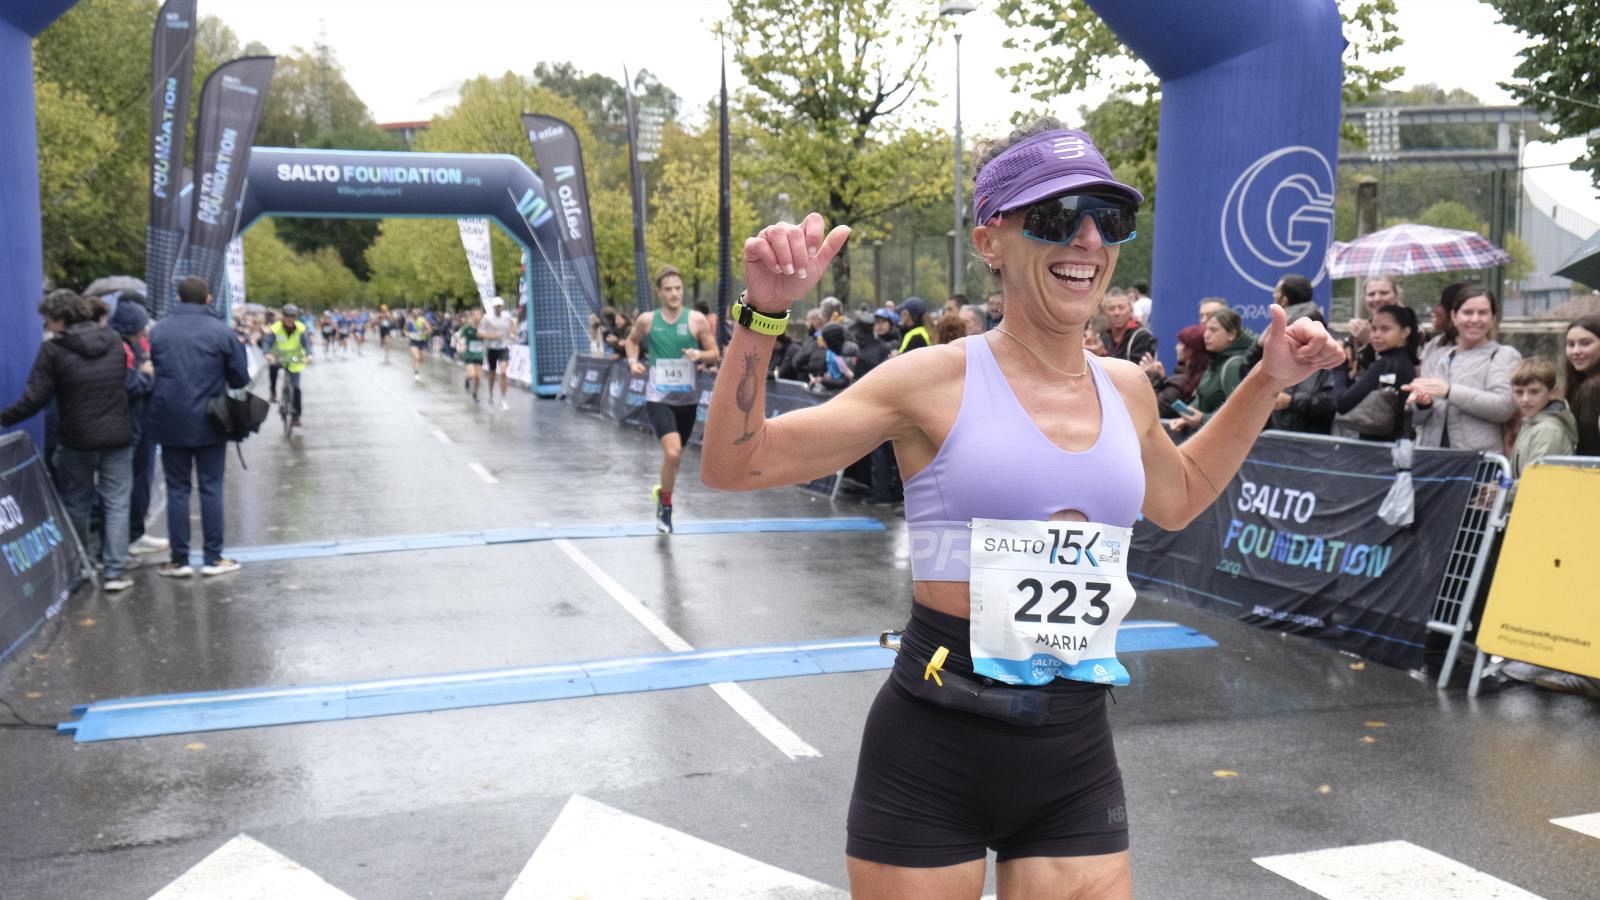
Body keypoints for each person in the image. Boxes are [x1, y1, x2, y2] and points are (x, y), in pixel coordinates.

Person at [700, 121, 1344, 898]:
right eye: (1054, 216)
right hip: (934, 741)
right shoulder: (929, 381)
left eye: (1107, 218)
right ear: (990, 241)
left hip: (1072, 749)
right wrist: (764, 315)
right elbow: (737, 463)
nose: (1087, 239)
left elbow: (1179, 498)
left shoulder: (1127, 389)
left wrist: (1266, 382)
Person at [0, 290, 143, 592]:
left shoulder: (53, 351)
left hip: (77, 439)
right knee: (117, 502)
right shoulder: (114, 341)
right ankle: (115, 571)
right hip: (118, 435)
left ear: (60, 319)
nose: (47, 326)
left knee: (76, 502)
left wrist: (4, 418)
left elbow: (35, 398)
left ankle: (82, 565)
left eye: (48, 320)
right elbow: (124, 383)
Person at [147, 276, 249, 578]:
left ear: (179, 298)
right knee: (211, 488)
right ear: (208, 298)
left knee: (177, 489)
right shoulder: (221, 331)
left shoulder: (160, 331)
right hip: (211, 419)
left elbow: (156, 366)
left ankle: (179, 560)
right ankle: (212, 558)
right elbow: (240, 378)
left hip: (170, 419)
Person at [624, 265, 720, 534]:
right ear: (659, 292)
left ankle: (662, 492)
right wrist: (632, 362)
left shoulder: (696, 320)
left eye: (678, 288)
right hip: (659, 398)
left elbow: (715, 353)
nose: (674, 293)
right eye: (668, 289)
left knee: (675, 459)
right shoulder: (647, 320)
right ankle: (665, 508)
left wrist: (699, 355)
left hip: (687, 400)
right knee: (672, 452)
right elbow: (631, 341)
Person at [1405, 285, 1521, 451]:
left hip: (1477, 459)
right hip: (1433, 457)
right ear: (1454, 317)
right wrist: (1423, 404)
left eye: (1483, 313)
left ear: (1493, 318)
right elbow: (1417, 420)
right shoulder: (1440, 357)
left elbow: (1503, 407)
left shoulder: (1503, 355)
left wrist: (1449, 391)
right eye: (1467, 312)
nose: (1475, 319)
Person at [1332, 304, 1419, 441]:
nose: (1376, 335)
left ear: (1405, 332)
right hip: (1398, 444)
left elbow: (1342, 403)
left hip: (1376, 446)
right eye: (1373, 329)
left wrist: (1339, 366)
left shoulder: (1385, 364)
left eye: (1385, 329)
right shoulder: (1406, 362)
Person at [1171, 306, 1252, 434]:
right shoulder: (1215, 361)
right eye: (1206, 329)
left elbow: (1238, 414)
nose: (1206, 335)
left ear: (1231, 334)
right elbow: (1203, 398)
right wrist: (1187, 417)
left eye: (1213, 330)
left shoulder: (1234, 365)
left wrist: (1203, 419)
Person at [1508, 358, 1577, 478]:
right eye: (1519, 392)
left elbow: (1538, 477)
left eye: (1534, 392)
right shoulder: (1531, 421)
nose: (1525, 399)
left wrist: (1505, 487)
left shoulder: (1548, 429)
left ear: (1552, 393)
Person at [263, 304, 312, 427]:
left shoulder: (301, 328)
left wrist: (309, 355)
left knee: (296, 388)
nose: (289, 319)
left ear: (296, 317)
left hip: (295, 358)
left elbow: (307, 343)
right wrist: (267, 353)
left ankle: (296, 417)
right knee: (272, 366)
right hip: (279, 356)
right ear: (282, 316)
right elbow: (267, 341)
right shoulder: (275, 328)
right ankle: (273, 392)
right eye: (287, 316)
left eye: (292, 316)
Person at [1345, 276, 1402, 370]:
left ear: (1396, 296)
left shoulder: (1409, 326)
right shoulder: (1365, 327)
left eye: (1384, 293)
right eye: (1371, 294)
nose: (1377, 299)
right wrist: (1349, 344)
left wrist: (1370, 340)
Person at [1564, 315, 1600, 456]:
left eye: (1585, 343)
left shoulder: (1593, 388)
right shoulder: (1581, 383)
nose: (1576, 351)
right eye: (1571, 344)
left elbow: (1589, 447)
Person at [479, 299, 516, 410]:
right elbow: (480, 333)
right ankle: (491, 394)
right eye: (496, 306)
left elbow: (513, 324)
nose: (498, 308)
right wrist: (492, 336)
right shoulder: (487, 318)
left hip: (504, 347)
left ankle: (503, 399)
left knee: (503, 372)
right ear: (493, 307)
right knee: (492, 373)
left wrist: (512, 333)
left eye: (500, 306)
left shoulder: (507, 316)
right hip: (491, 348)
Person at [1097, 290, 1155, 362]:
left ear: (1131, 311)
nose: (1117, 313)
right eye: (1111, 309)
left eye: (1121, 308)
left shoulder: (1142, 336)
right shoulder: (1103, 337)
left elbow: (1134, 367)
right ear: (1105, 313)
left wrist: (1102, 354)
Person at [457, 308, 487, 402]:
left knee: (478, 376)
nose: (477, 317)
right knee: (472, 374)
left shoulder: (483, 328)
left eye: (479, 315)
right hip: (469, 354)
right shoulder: (467, 328)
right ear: (472, 316)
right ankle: (467, 378)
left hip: (479, 355)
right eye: (475, 315)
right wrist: (461, 345)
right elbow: (458, 337)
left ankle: (475, 393)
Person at [405, 309, 432, 382]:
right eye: (414, 313)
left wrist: (423, 333)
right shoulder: (409, 321)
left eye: (417, 313)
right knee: (417, 357)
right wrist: (407, 334)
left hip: (422, 341)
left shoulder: (422, 321)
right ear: (412, 314)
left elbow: (429, 330)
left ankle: (415, 364)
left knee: (422, 359)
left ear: (419, 314)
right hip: (413, 341)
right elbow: (405, 330)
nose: (415, 315)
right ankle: (416, 373)